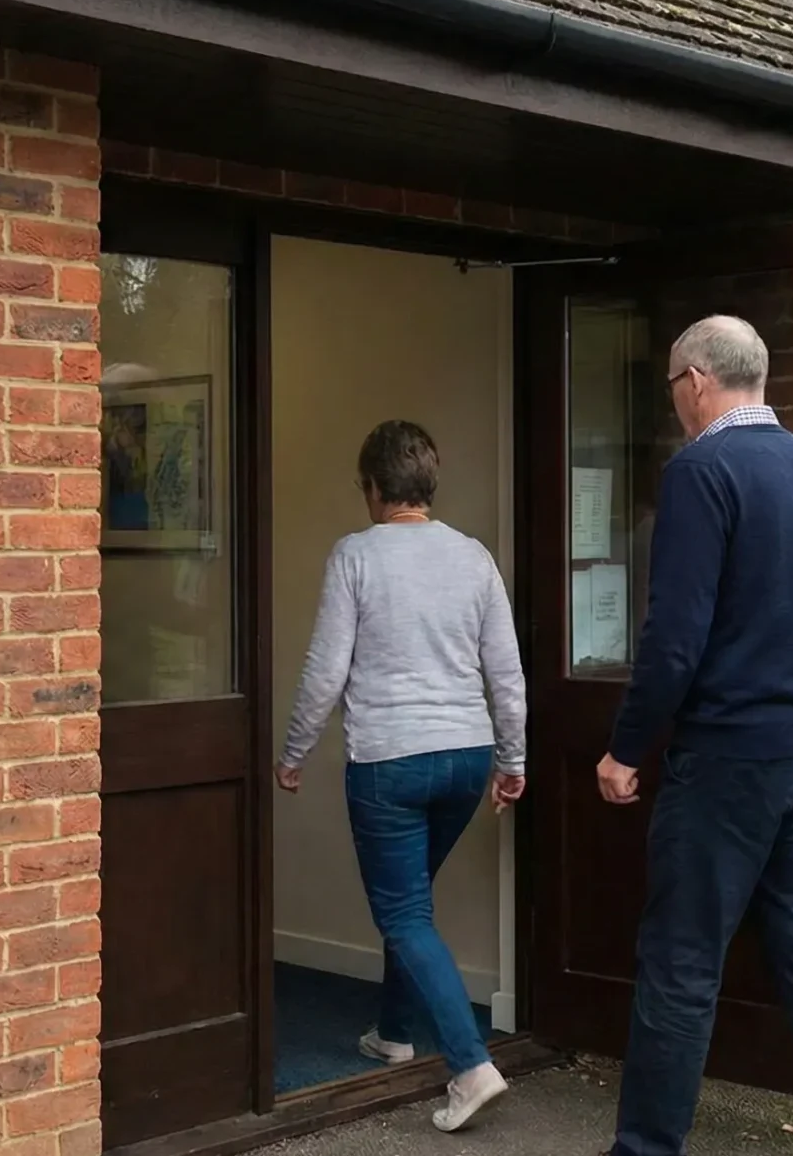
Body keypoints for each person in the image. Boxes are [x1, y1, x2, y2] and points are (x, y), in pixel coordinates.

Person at [597, 315, 793, 1156]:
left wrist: (625, 747)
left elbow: (674, 638)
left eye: (671, 387)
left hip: (731, 756)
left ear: (695, 379)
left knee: (682, 960)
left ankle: (645, 1148)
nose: (674, 402)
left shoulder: (701, 471)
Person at [277, 418, 528, 1133]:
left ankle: (470, 1064)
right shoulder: (474, 557)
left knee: (404, 912)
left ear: (375, 486)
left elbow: (326, 669)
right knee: (410, 900)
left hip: (390, 760)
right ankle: (393, 1029)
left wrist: (293, 751)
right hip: (467, 754)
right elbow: (504, 674)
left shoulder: (355, 555)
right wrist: (512, 760)